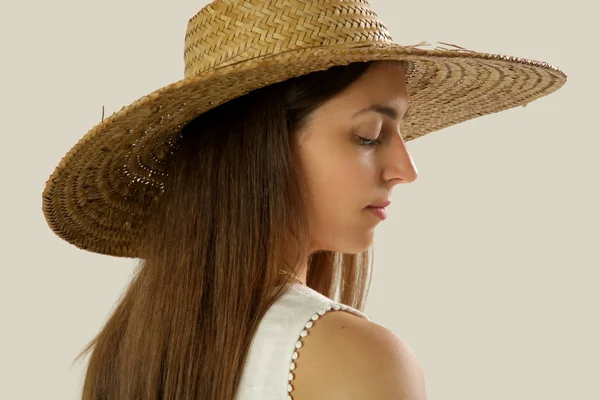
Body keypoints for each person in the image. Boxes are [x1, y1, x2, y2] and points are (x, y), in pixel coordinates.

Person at [41, 0, 567, 399]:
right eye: (368, 135)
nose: (404, 169)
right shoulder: (354, 358)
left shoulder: (126, 352)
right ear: (261, 150)